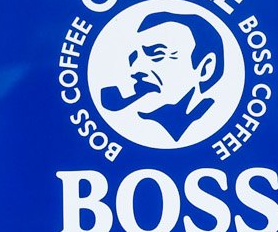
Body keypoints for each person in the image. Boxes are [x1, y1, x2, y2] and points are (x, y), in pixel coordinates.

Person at [96, 10, 228, 147]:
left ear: (205, 69)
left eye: (157, 55)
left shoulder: (210, 122)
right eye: (133, 58)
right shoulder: (132, 125)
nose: (135, 70)